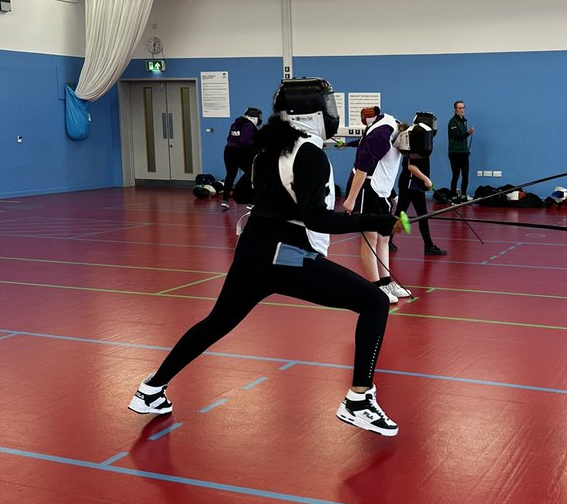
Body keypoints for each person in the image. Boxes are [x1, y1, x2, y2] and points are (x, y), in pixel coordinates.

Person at [129, 79, 404, 436]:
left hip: (252, 252)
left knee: (216, 322)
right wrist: (381, 220)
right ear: (312, 113)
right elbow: (317, 218)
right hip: (285, 257)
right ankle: (359, 400)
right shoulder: (309, 153)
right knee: (374, 302)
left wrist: (276, 198)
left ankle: (151, 389)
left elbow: (244, 191)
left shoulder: (270, 149)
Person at [342, 106, 410, 303]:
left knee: (384, 239)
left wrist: (392, 194)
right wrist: (351, 199)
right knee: (370, 239)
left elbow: (388, 167)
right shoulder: (383, 134)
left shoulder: (397, 137)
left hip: (383, 192)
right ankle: (376, 287)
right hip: (366, 189)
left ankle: (386, 281)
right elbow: (362, 167)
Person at [393, 114, 447, 256]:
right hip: (411, 185)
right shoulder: (415, 141)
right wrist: (426, 179)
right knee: (419, 215)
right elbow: (411, 167)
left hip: (410, 184)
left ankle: (388, 241)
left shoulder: (420, 141)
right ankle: (428, 246)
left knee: (401, 213)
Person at [221, 107, 262, 209]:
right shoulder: (249, 125)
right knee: (252, 174)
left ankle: (225, 200)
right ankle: (251, 202)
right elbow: (245, 141)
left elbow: (229, 138)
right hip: (240, 152)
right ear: (255, 117)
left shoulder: (235, 124)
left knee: (230, 175)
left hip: (228, 151)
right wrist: (257, 147)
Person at [447, 100, 474, 201]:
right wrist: (468, 133)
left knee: (465, 174)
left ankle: (463, 195)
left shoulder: (464, 121)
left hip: (464, 152)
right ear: (455, 110)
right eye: (459, 108)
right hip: (454, 152)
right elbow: (458, 136)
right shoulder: (452, 122)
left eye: (463, 108)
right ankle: (453, 196)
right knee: (456, 174)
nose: (462, 110)